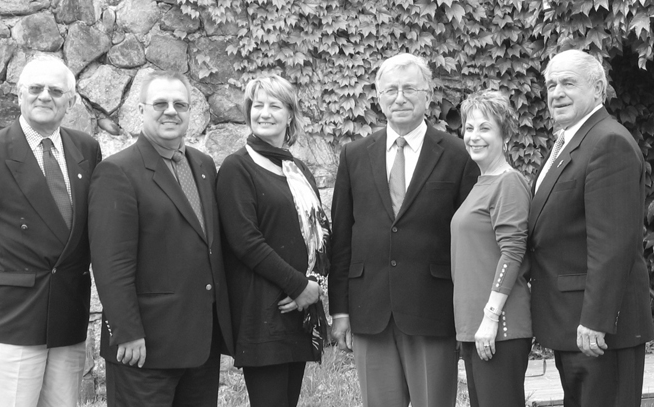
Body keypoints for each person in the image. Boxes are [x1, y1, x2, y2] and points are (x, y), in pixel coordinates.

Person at [328, 53, 480, 407]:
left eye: (410, 89)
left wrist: (470, 312)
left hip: (433, 309)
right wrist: (340, 310)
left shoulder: (458, 155)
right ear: (378, 97)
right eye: (390, 90)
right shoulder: (353, 155)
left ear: (427, 96)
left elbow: (470, 239)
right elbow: (343, 239)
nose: (400, 97)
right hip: (370, 310)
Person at [0, 56, 102, 407]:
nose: (45, 96)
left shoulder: (87, 149)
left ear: (71, 101)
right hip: (12, 319)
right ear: (19, 95)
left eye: (55, 90)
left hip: (67, 315)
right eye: (35, 88)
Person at [88, 70, 234, 407]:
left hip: (201, 343)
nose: (171, 111)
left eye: (180, 104)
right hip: (144, 347)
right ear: (140, 111)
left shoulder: (203, 165)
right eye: (160, 103)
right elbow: (111, 263)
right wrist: (127, 331)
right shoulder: (118, 172)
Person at [529, 49, 654, 407]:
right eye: (551, 84)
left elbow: (613, 243)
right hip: (573, 324)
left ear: (598, 89)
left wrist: (596, 319)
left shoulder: (607, 142)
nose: (556, 93)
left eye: (568, 83)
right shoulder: (569, 143)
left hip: (598, 331)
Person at [216, 75, 328, 407]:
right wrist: (298, 285)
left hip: (298, 309)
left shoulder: (297, 170)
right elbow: (245, 241)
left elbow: (320, 233)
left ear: (290, 115)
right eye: (258, 105)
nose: (264, 113)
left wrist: (310, 287)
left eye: (274, 106)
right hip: (263, 311)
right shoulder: (239, 167)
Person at [450, 90, 532, 406]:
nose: (474, 136)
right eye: (469, 128)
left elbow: (514, 251)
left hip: (499, 328)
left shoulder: (508, 183)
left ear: (504, 134)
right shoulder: (481, 183)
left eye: (485, 128)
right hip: (475, 327)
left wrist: (490, 317)